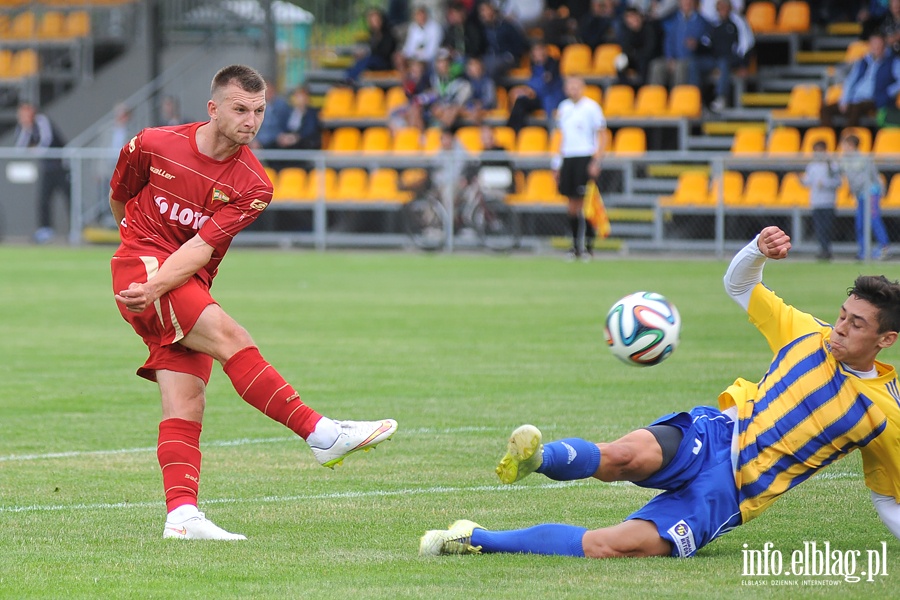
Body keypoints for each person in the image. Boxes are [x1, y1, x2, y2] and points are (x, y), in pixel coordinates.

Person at [420, 225, 900, 559]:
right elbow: (738, 283)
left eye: (855, 324)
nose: (839, 329)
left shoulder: (884, 413)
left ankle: (475, 537)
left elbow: (888, 498)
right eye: (841, 315)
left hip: (729, 494)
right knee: (625, 455)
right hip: (713, 433)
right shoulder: (805, 334)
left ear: (885, 341)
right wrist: (757, 247)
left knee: (608, 546)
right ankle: (536, 459)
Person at [108, 64, 398, 541]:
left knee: (187, 400)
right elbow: (121, 200)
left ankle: (181, 517)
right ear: (213, 108)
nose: (251, 120)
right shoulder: (153, 144)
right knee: (231, 338)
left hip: (181, 278)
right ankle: (321, 434)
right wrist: (144, 265)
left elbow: (202, 248)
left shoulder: (254, 184)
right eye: (240, 109)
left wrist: (164, 283)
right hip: (143, 272)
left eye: (259, 110)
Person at [552, 76, 606, 261]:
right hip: (568, 157)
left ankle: (589, 247)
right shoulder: (563, 108)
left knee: (587, 203)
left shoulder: (592, 107)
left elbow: (601, 135)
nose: (573, 89)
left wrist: (596, 161)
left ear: (582, 87)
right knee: (571, 205)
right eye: (570, 86)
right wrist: (557, 164)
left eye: (576, 86)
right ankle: (575, 246)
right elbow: (560, 137)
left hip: (585, 156)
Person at [14, 101, 69, 244]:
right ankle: (45, 230)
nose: (23, 116)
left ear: (31, 110)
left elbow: (47, 141)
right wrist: (26, 128)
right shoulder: (26, 126)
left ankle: (75, 229)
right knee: (43, 199)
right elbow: (20, 146)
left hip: (61, 166)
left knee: (69, 198)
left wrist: (35, 150)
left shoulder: (42, 120)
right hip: (47, 168)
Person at [821, 33, 900, 129]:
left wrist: (887, 92)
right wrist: (844, 100)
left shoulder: (892, 61)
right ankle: (830, 137)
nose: (876, 48)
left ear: (884, 45)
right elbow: (850, 80)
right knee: (825, 110)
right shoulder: (863, 61)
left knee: (856, 108)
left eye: (878, 45)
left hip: (874, 100)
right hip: (855, 98)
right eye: (873, 44)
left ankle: (847, 137)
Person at [690, 0, 754, 112]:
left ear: (729, 8)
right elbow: (707, 44)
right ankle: (696, 98)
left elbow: (747, 44)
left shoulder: (738, 22)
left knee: (723, 63)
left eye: (724, 7)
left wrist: (744, 64)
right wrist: (697, 46)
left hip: (732, 59)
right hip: (715, 59)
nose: (722, 10)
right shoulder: (714, 24)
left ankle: (721, 97)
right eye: (719, 8)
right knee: (694, 64)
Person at [839, 133, 891, 260]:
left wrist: (881, 191)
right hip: (860, 195)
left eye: (844, 144)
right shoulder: (843, 160)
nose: (842, 147)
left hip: (871, 193)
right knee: (860, 223)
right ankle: (863, 251)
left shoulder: (864, 158)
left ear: (851, 145)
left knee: (874, 219)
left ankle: (884, 248)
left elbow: (875, 176)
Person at [648, 0, 709, 89]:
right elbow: (668, 41)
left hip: (690, 59)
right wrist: (670, 58)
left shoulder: (701, 22)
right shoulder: (674, 21)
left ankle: (677, 98)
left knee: (680, 67)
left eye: (689, 3)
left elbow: (706, 42)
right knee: (656, 66)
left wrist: (697, 44)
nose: (686, 5)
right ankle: (655, 98)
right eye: (684, 3)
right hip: (673, 59)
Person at [505, 42, 564, 133]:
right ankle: (512, 131)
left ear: (545, 51)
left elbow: (547, 84)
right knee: (520, 101)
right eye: (535, 51)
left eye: (540, 50)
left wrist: (530, 90)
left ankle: (515, 131)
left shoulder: (553, 65)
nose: (538, 53)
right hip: (538, 97)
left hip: (550, 99)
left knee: (523, 100)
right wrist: (526, 90)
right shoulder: (535, 66)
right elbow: (533, 83)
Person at [801, 140, 842, 261]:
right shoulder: (812, 166)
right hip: (816, 202)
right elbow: (808, 181)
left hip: (828, 202)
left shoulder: (832, 165)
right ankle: (823, 250)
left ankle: (827, 250)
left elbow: (838, 182)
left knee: (827, 227)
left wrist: (825, 184)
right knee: (819, 228)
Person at [346, 8, 398, 83]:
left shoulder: (388, 34)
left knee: (368, 60)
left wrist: (368, 53)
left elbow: (385, 52)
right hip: (374, 61)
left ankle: (350, 80)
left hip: (384, 63)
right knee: (357, 64)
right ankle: (348, 77)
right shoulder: (373, 35)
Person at [397, 5, 444, 71]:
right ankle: (404, 80)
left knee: (417, 66)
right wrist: (404, 55)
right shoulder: (413, 27)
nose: (420, 17)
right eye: (418, 15)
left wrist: (419, 59)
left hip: (428, 60)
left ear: (426, 15)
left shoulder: (435, 28)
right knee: (399, 58)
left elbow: (433, 50)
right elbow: (408, 46)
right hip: (414, 58)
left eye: (422, 15)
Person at [250, 78, 291, 151]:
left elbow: (287, 125)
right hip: (258, 141)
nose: (268, 93)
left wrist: (283, 135)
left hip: (277, 140)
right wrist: (253, 140)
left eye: (270, 91)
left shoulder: (282, 106)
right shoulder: (254, 105)